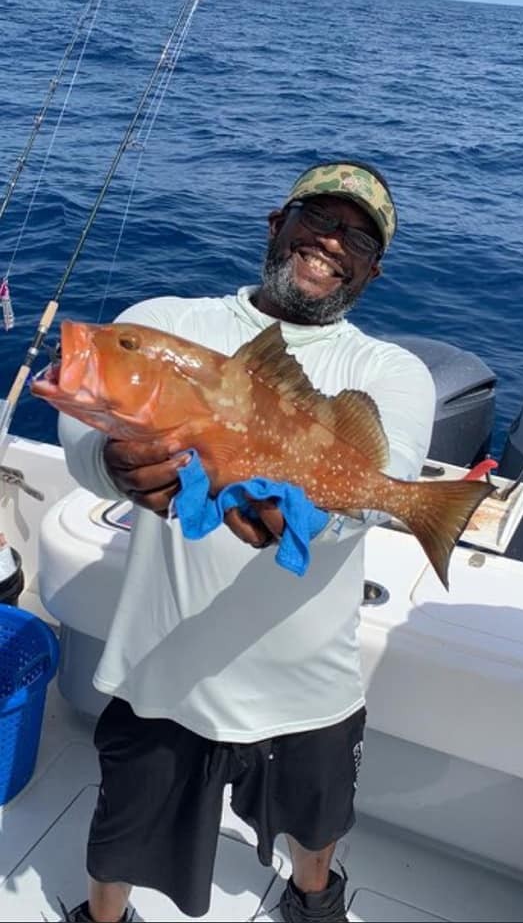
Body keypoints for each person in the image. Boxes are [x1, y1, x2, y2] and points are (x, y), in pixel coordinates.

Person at [59, 160, 436, 923]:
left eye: (359, 237)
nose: (333, 242)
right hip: (161, 666)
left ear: (373, 269)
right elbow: (84, 436)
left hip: (307, 682)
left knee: (316, 830)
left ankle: (312, 903)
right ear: (277, 223)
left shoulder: (390, 371)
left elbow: (379, 481)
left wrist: (316, 518)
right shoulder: (170, 321)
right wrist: (115, 464)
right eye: (319, 219)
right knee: (119, 839)